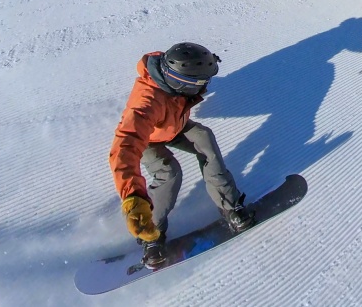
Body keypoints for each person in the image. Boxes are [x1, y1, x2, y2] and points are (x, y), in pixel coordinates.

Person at [108, 42, 254, 269]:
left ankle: (229, 205)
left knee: (203, 137)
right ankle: (152, 234)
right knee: (169, 172)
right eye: (203, 82)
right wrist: (133, 198)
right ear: (184, 84)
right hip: (149, 140)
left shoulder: (171, 70)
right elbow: (124, 147)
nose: (206, 86)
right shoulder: (146, 104)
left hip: (173, 126)